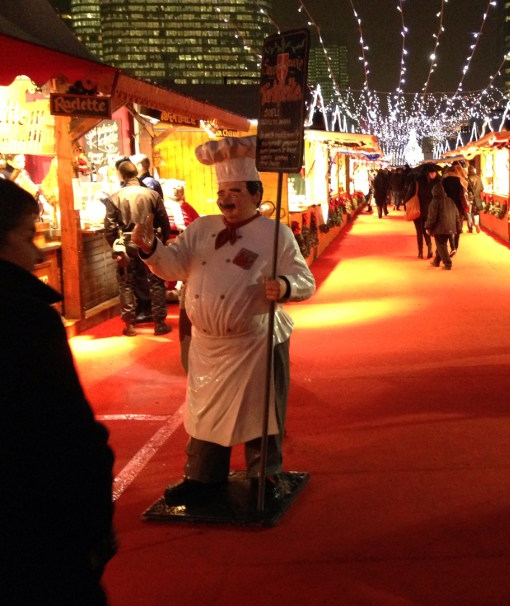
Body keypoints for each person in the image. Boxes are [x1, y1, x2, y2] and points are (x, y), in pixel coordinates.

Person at [132, 136, 316, 506]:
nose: (225, 198)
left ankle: (265, 476)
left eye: (234, 190)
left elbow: (304, 280)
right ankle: (201, 477)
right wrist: (151, 248)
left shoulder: (274, 233)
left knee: (261, 415)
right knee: (203, 414)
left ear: (254, 192)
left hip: (254, 342)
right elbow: (174, 264)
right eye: (222, 191)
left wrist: (283, 285)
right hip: (207, 344)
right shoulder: (202, 228)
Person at [0, 178, 116, 604]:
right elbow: (66, 433)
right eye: (28, 236)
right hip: (33, 530)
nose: (35, 253)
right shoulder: (24, 318)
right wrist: (93, 525)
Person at [104, 159, 171, 336]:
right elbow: (164, 221)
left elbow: (109, 228)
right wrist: (162, 240)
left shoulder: (114, 198)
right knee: (156, 281)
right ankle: (159, 323)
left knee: (126, 282)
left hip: (126, 243)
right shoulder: (152, 195)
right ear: (136, 173)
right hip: (150, 241)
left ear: (121, 175)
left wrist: (115, 245)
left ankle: (130, 325)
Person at [426, 167, 461, 270]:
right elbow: (457, 214)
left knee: (441, 245)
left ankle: (448, 263)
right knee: (442, 244)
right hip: (450, 226)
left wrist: (428, 226)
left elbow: (432, 216)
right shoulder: (450, 200)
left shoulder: (435, 201)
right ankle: (437, 261)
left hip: (440, 227)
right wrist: (458, 227)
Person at [442, 163, 470, 257]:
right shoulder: (459, 181)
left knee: (449, 226)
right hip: (458, 207)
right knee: (458, 227)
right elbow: (462, 194)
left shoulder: (444, 181)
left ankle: (452, 246)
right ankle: (456, 246)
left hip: (447, 207)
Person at [413, 164, 439, 259]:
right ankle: (430, 248)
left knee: (419, 232)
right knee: (426, 230)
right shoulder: (435, 183)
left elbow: (409, 195)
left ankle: (420, 252)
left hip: (418, 210)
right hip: (429, 211)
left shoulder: (416, 182)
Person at [467, 165, 484, 233]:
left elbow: (466, 189)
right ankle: (476, 224)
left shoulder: (467, 179)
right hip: (477, 198)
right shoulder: (479, 178)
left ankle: (470, 228)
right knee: (476, 212)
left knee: (469, 212)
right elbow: (482, 188)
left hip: (470, 198)